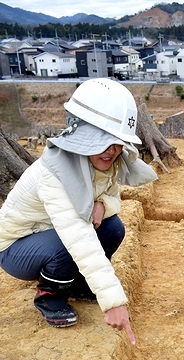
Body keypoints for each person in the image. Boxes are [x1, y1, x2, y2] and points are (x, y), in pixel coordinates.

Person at [0, 78, 158, 344]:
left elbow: (112, 197)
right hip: (15, 248)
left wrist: (102, 204)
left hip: (48, 232)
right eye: (104, 140)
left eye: (118, 142)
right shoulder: (56, 172)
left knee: (113, 228)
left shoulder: (102, 163)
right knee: (68, 243)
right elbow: (77, 236)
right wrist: (113, 302)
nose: (113, 149)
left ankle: (80, 285)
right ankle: (49, 295)